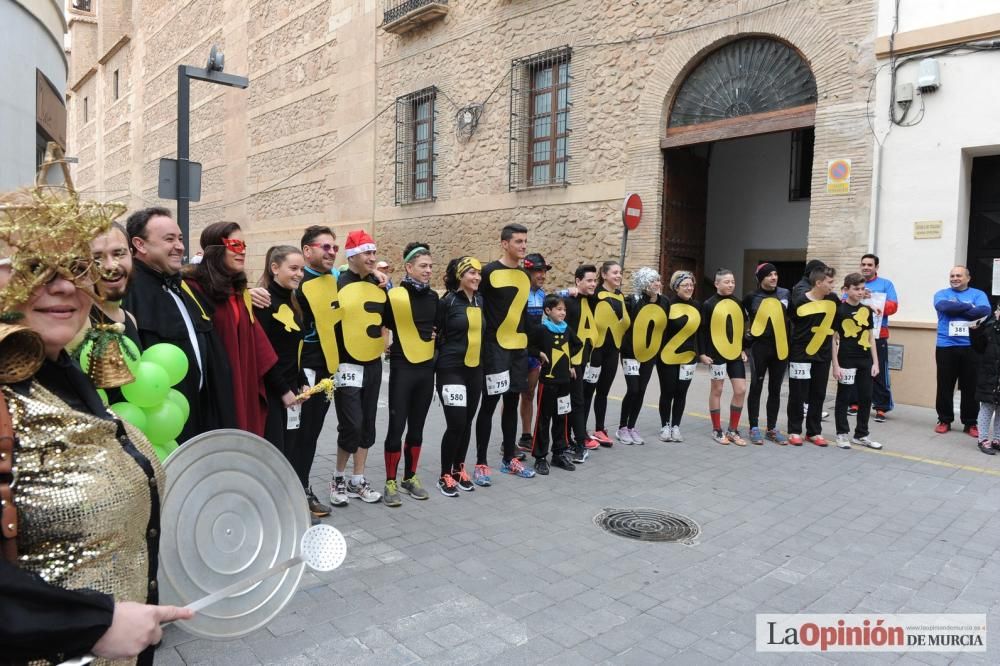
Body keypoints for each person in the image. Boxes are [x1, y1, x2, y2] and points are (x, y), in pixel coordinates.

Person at [0, 194, 191, 664]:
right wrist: (89, 623)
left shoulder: (62, 373)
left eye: (75, 266)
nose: (63, 286)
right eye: (35, 267)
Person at [123, 207, 235, 442]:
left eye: (181, 238)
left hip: (201, 416)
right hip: (163, 426)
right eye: (169, 239)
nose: (180, 246)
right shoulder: (128, 294)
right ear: (140, 245)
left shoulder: (180, 285)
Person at [184, 222, 278, 438]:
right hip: (213, 391)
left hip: (240, 383)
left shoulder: (237, 291)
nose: (242, 250)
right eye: (235, 244)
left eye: (243, 244)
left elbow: (256, 344)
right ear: (216, 249)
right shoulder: (193, 288)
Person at [255, 246, 321, 501]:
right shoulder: (263, 301)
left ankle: (287, 507)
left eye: (301, 269)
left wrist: (302, 383)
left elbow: (296, 351)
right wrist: (283, 390)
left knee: (290, 452)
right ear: (274, 268)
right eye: (293, 268)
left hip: (291, 392)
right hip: (272, 394)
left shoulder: (293, 302)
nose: (299, 274)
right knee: (273, 456)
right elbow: (264, 353)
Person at [474, 223, 536, 478]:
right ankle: (480, 463)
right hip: (494, 349)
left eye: (525, 241)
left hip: (518, 350)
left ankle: (510, 459)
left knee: (511, 404)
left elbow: (523, 316)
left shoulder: (524, 275)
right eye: (518, 241)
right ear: (504, 244)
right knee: (489, 406)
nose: (523, 246)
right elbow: (476, 307)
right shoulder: (487, 272)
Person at [381, 242, 438, 506]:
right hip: (403, 367)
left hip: (426, 369)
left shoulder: (433, 297)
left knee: (417, 427)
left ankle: (410, 477)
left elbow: (440, 328)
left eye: (430, 266)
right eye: (423, 266)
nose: (428, 271)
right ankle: (390, 480)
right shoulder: (393, 296)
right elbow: (382, 324)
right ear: (409, 267)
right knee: (396, 426)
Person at [331, 229, 385, 505]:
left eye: (374, 252)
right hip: (347, 364)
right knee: (351, 425)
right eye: (367, 253)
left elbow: (385, 320)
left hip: (373, 362)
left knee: (367, 426)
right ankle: (338, 477)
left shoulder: (378, 284)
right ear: (352, 256)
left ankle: (357, 479)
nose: (372, 258)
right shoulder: (338, 283)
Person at [295, 225, 343, 512]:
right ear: (307, 250)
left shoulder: (336, 280)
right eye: (326, 247)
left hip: (328, 370)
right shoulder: (295, 281)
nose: (332, 253)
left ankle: (301, 486)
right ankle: (296, 491)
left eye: (335, 248)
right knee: (298, 433)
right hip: (303, 370)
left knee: (311, 433)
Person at [436, 257, 485, 492]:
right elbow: (436, 335)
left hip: (474, 370)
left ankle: (459, 468)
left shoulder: (479, 301)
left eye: (478, 273)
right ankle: (444, 474)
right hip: (450, 370)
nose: (476, 277)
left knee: (466, 423)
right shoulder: (447, 302)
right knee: (455, 423)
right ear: (459, 276)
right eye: (471, 273)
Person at [934, 266, 991, 436]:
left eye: (959, 275)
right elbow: (944, 307)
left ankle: (971, 423)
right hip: (946, 345)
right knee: (945, 385)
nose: (955, 278)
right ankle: (944, 419)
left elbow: (984, 311)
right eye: (952, 275)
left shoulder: (978, 294)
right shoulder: (941, 294)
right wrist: (969, 308)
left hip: (970, 346)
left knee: (970, 386)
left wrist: (957, 307)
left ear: (968, 278)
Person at [527, 294, 582, 474]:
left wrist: (570, 363)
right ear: (548, 311)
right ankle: (540, 456)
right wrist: (539, 354)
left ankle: (558, 453)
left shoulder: (567, 329)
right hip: (548, 382)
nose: (563, 313)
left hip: (564, 381)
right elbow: (529, 346)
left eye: (564, 309)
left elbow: (577, 344)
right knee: (544, 419)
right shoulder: (542, 330)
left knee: (561, 417)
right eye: (559, 309)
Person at [787, 265, 839, 446]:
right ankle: (794, 430)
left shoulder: (833, 300)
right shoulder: (800, 301)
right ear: (818, 283)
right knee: (797, 394)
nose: (833, 286)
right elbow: (791, 325)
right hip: (800, 354)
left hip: (822, 355)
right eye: (830, 282)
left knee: (818, 393)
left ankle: (814, 432)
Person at [832, 273, 882, 450]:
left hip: (865, 360)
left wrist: (875, 363)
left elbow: (871, 337)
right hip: (846, 359)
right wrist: (835, 364)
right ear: (846, 290)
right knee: (844, 397)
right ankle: (842, 433)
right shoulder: (839, 310)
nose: (860, 292)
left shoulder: (867, 310)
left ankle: (861, 434)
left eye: (862, 289)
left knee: (866, 397)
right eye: (856, 289)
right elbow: (834, 339)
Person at [699, 268, 749, 446]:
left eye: (733, 282)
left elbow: (740, 328)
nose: (731, 285)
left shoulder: (738, 302)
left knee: (741, 389)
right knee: (717, 390)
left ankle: (733, 430)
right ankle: (717, 429)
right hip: (715, 354)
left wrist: (742, 349)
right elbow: (702, 331)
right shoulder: (708, 304)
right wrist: (703, 354)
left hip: (734, 353)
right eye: (727, 282)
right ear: (716, 284)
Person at [582, 261, 630, 445]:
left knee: (603, 392)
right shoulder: (594, 294)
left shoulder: (619, 295)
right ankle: (581, 431)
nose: (618, 275)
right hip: (595, 351)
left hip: (612, 351)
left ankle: (600, 429)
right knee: (588, 391)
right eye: (615, 272)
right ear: (604, 274)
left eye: (620, 272)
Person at [743, 263, 790, 445]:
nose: (774, 277)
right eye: (769, 275)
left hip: (780, 348)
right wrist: (743, 343)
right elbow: (742, 319)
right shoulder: (751, 297)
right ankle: (754, 427)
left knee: (775, 389)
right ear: (761, 278)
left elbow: (792, 317)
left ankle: (771, 428)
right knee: (756, 386)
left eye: (776, 274)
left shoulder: (785, 294)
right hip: (759, 349)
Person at [616, 267, 663, 444]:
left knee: (641, 390)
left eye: (658, 280)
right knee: (633, 389)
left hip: (649, 353)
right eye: (652, 280)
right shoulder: (632, 301)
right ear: (643, 283)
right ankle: (622, 427)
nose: (657, 284)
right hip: (630, 352)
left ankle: (631, 427)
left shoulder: (663, 302)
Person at [563, 264, 601, 461]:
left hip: (583, 359)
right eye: (589, 280)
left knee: (576, 401)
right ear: (578, 281)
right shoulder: (569, 302)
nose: (593, 284)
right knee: (573, 402)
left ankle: (573, 440)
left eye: (595, 280)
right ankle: (577, 443)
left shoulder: (591, 299)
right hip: (569, 362)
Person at [659, 271, 701, 442]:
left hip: (689, 357)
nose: (689, 288)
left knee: (681, 393)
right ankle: (665, 426)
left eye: (691, 285)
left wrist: (701, 353)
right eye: (685, 285)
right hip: (667, 356)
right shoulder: (667, 304)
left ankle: (676, 426)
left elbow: (701, 332)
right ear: (676, 287)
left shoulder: (697, 305)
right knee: (667, 391)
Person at [857, 254, 898, 422]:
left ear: (876, 267)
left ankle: (881, 407)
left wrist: (873, 299)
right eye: (863, 264)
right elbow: (844, 301)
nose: (866, 267)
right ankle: (854, 403)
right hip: (856, 334)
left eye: (870, 264)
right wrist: (860, 296)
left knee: (879, 370)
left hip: (879, 334)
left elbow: (893, 306)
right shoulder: (855, 283)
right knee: (855, 369)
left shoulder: (886, 284)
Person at [518, 252, 551, 453]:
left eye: (544, 271)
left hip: (534, 354)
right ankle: (508, 438)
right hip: (517, 351)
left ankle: (526, 436)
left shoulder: (542, 295)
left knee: (529, 394)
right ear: (527, 271)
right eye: (538, 271)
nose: (542, 275)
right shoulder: (518, 293)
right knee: (513, 396)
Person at [89, 222, 140, 346]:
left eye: (118, 254)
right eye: (97, 258)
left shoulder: (130, 319)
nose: (110, 266)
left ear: (131, 255)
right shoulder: (78, 321)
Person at [971, 302, 1000, 455]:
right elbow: (979, 347)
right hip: (989, 375)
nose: (997, 312)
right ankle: (983, 439)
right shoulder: (989, 328)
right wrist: (975, 332)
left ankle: (997, 439)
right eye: (998, 309)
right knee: (987, 407)